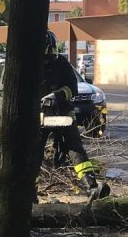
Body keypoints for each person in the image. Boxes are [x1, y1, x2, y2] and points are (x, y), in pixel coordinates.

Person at [39, 30, 109, 200]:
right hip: (40, 117)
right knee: (34, 152)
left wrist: (57, 96)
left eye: (50, 56)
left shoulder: (62, 64)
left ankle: (91, 187)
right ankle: (30, 193)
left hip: (62, 113)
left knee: (75, 148)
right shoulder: (30, 66)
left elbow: (73, 87)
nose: (48, 60)